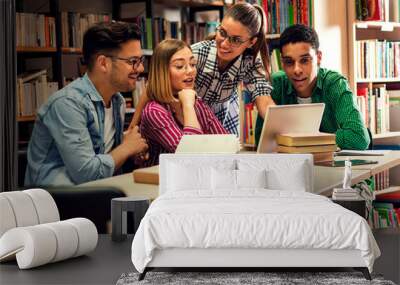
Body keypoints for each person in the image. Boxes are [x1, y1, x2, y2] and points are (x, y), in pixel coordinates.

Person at [25, 21, 148, 187]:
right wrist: (126, 148)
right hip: (56, 203)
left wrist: (131, 153)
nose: (140, 68)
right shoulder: (67, 104)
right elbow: (86, 174)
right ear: (103, 63)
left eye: (140, 60)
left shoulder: (117, 101)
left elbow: (107, 162)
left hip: (95, 194)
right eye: (133, 61)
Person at [130, 3, 274, 136]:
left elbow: (264, 100)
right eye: (222, 33)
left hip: (220, 115)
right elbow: (153, 86)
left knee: (227, 151)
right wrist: (132, 128)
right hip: (185, 112)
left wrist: (283, 130)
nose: (224, 44)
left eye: (235, 40)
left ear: (251, 42)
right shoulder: (196, 55)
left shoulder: (251, 61)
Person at [255, 24, 370, 150]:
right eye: (289, 62)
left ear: (319, 57)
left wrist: (305, 141)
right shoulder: (274, 85)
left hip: (331, 165)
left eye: (304, 60)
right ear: (282, 63)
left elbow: (359, 138)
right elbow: (261, 141)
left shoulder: (335, 84)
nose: (297, 70)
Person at [140, 39, 228, 166]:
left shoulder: (198, 104)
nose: (190, 71)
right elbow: (190, 157)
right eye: (180, 66)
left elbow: (225, 144)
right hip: (160, 182)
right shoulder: (154, 111)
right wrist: (188, 106)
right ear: (162, 72)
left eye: (192, 64)